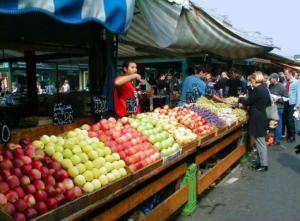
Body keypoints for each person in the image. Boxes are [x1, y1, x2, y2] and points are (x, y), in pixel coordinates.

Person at [238, 71, 271, 172]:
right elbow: (269, 103)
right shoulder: (265, 89)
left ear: (255, 79)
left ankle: (264, 165)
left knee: (260, 142)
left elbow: (248, 101)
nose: (250, 82)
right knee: (259, 141)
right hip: (261, 116)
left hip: (257, 118)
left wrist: (240, 98)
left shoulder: (257, 90)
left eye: (251, 80)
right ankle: (260, 162)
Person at [269, 73, 288, 145]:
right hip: (272, 108)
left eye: (271, 78)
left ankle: (277, 140)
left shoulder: (282, 87)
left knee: (278, 124)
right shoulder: (270, 85)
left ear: (275, 79)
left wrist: (278, 98)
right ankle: (272, 139)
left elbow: (287, 98)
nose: (269, 80)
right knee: (272, 124)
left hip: (279, 108)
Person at [284, 69, 300, 142]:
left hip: (292, 103)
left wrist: (297, 106)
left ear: (290, 73)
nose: (285, 75)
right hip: (286, 103)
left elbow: (298, 94)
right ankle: (288, 135)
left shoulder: (296, 82)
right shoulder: (286, 82)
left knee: (290, 120)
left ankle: (292, 136)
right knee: (287, 120)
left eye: (286, 74)